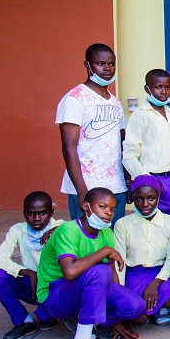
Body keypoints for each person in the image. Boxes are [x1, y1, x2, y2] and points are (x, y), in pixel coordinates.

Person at [35, 188, 147, 339]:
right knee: (98, 272)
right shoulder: (68, 230)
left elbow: (112, 272)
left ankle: (89, 319)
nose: (108, 213)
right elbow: (70, 272)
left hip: (87, 286)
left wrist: (117, 317)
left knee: (135, 306)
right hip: (56, 294)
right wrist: (104, 251)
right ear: (86, 206)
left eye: (112, 209)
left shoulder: (106, 233)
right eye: (102, 207)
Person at [57, 44, 127, 224]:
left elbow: (122, 143)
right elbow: (68, 147)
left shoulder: (115, 102)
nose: (107, 68)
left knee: (111, 243)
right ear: (88, 65)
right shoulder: (74, 99)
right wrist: (82, 192)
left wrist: (127, 180)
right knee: (87, 242)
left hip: (116, 186)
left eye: (111, 64)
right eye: (101, 63)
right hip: (88, 187)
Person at [0, 192, 63, 339]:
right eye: (30, 213)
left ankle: (48, 314)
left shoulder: (61, 226)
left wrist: (58, 230)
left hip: (54, 287)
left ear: (51, 212)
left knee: (45, 317)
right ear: (24, 214)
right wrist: (28, 272)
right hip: (31, 285)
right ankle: (24, 321)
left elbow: (77, 226)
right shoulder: (18, 230)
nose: (36, 219)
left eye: (42, 213)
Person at [114, 176, 170, 329]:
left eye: (151, 198)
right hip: (133, 274)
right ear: (133, 199)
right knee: (139, 317)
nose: (145, 204)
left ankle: (159, 308)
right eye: (139, 199)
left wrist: (154, 284)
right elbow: (118, 261)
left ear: (159, 198)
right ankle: (155, 310)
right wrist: (120, 292)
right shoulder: (123, 224)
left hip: (159, 274)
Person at [123, 69, 170, 218]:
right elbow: (129, 155)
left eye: (168, 87)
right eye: (158, 87)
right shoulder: (141, 115)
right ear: (147, 89)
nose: (164, 92)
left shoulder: (169, 112)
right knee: (155, 223)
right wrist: (146, 179)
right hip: (154, 178)